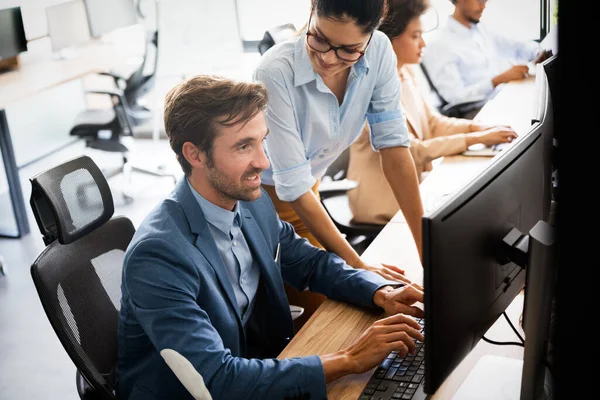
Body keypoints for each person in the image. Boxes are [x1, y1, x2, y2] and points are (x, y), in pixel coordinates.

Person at [115, 75, 425, 400]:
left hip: (259, 365)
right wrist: (349, 359)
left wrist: (380, 292)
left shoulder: (252, 201)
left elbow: (308, 262)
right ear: (195, 155)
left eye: (262, 141)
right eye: (244, 146)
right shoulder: (159, 254)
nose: (263, 162)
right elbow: (217, 380)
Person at [253, 0, 424, 327]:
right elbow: (295, 188)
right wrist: (359, 268)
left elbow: (394, 149)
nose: (328, 59)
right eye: (319, 39)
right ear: (312, 8)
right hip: (263, 209)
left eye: (348, 50)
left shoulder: (379, 51)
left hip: (308, 198)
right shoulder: (274, 72)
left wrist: (426, 251)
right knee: (336, 318)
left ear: (372, 34)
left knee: (359, 308)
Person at [347, 0, 518, 225]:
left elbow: (432, 122)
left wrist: (476, 127)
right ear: (388, 41)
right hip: (382, 200)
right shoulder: (368, 87)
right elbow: (410, 151)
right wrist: (474, 139)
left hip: (413, 185)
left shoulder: (405, 72)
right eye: (416, 36)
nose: (424, 43)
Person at [421, 0, 553, 112]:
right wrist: (497, 80)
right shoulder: (440, 44)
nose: (483, 6)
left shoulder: (480, 30)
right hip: (476, 112)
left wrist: (537, 53)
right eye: (479, 0)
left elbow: (516, 46)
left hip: (501, 99)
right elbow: (455, 98)